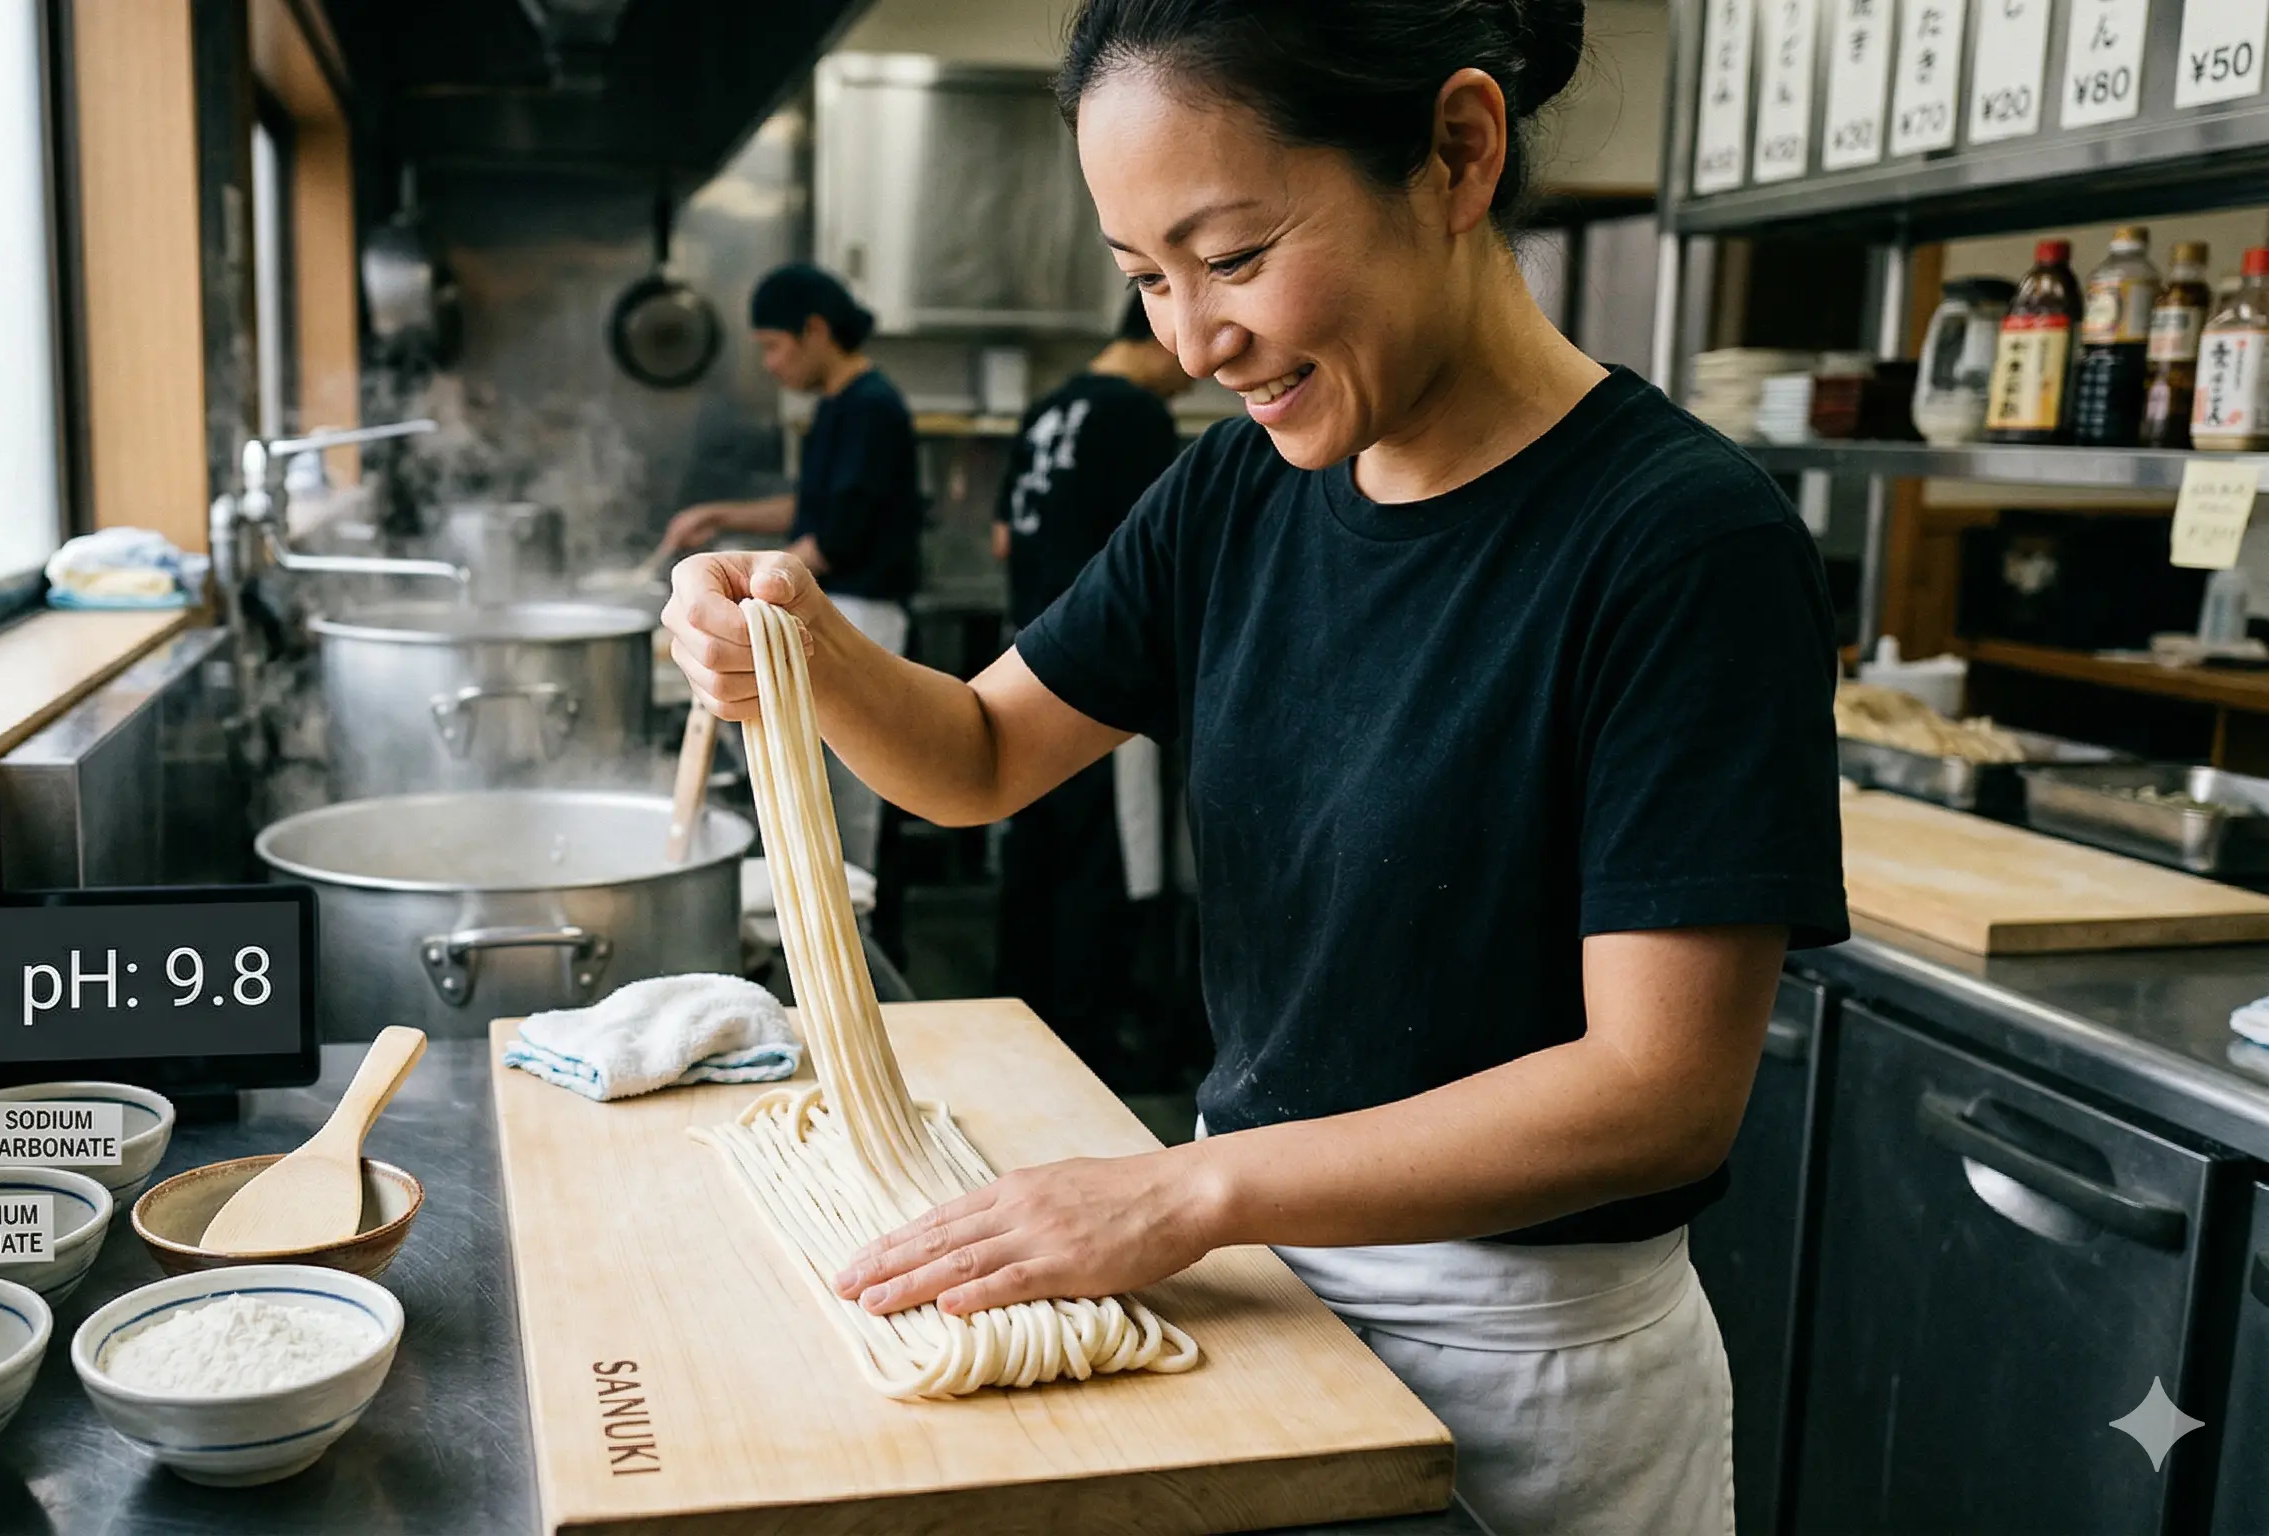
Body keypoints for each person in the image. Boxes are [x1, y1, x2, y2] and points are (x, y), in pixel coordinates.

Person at [660, 1, 1846, 1530]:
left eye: (1231, 257)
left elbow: (1656, 1093)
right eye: (1144, 278)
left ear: (1458, 152)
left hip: (1527, 1373)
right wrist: (798, 644)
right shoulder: (1233, 493)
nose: (1191, 340)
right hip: (1249, 1295)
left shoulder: (1681, 543)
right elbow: (978, 753)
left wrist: (1183, 1190)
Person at [990, 295, 1194, 1088]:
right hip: (1104, 675)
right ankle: (1085, 1053)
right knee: (1101, 868)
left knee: (1035, 854)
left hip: (1027, 663)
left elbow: (1005, 536)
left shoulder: (1050, 407)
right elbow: (1160, 558)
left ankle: (1018, 1028)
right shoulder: (1135, 417)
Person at [666, 263, 921, 870]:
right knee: (825, 793)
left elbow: (832, 538)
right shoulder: (839, 407)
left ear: (815, 330)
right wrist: (717, 516)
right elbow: (810, 511)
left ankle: (859, 933)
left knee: (852, 797)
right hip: (833, 610)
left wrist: (745, 595)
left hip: (860, 615)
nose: (770, 365)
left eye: (773, 347)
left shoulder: (871, 408)